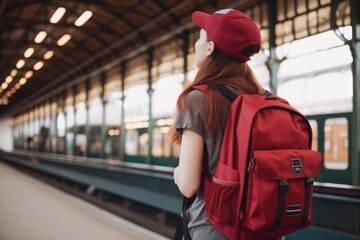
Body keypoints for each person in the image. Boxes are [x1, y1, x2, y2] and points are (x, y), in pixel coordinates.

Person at [169, 8, 265, 239]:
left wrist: (178, 173)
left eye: (200, 37)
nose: (196, 44)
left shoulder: (198, 99)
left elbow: (189, 185)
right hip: (261, 227)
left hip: (214, 229)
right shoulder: (263, 98)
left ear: (210, 47)